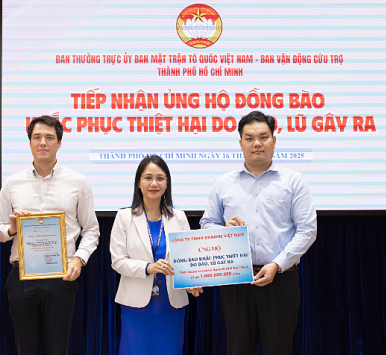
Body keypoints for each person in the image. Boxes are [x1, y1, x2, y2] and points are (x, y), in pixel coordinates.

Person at [200, 110, 317, 355]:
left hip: (280, 279)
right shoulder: (223, 183)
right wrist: (223, 230)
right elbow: (207, 223)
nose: (257, 143)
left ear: (274, 140)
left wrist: (277, 264)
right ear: (240, 143)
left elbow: (307, 230)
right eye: (249, 138)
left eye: (263, 137)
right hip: (236, 279)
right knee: (238, 349)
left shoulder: (293, 181)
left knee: (279, 349)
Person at [0, 115, 100, 355]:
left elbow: (92, 229)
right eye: (37, 137)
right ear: (29, 142)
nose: (43, 142)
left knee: (57, 347)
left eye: (49, 137)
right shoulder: (12, 183)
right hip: (22, 275)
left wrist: (79, 259)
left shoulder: (78, 182)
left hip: (61, 277)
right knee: (25, 347)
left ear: (59, 143)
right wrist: (11, 229)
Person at [110, 155, 202, 355]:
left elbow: (188, 260)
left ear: (167, 183)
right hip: (136, 304)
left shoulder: (179, 217)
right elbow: (118, 261)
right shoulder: (124, 217)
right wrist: (147, 268)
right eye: (148, 178)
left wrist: (191, 281)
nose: (154, 183)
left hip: (171, 304)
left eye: (160, 178)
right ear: (138, 183)